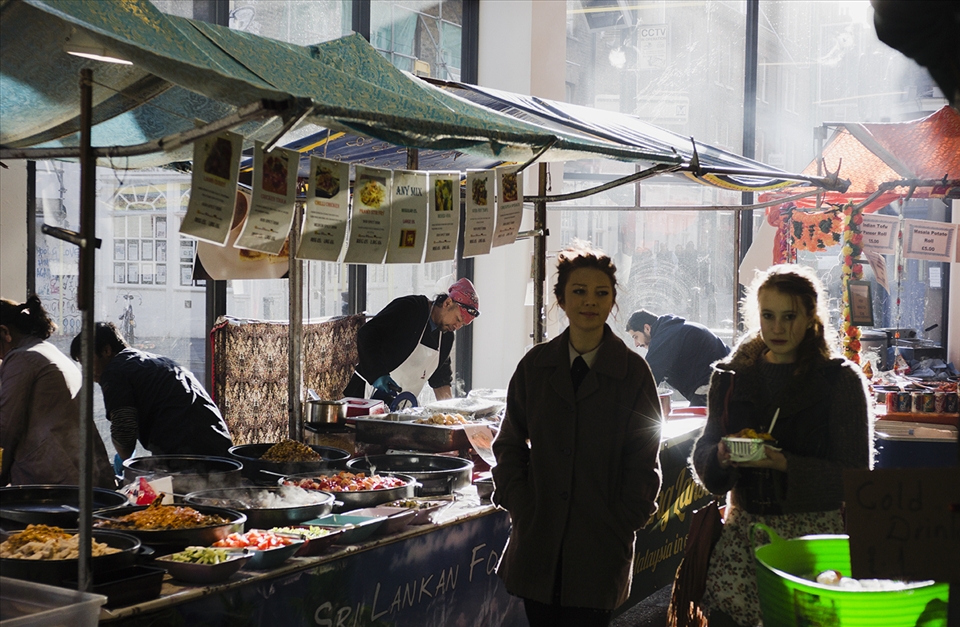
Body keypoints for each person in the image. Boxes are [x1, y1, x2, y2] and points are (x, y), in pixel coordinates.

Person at [689, 264, 873, 627]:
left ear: (810, 318)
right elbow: (705, 456)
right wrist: (721, 458)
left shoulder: (840, 381)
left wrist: (785, 465)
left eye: (789, 316)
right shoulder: (729, 377)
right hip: (743, 534)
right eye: (768, 316)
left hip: (814, 538)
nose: (777, 328)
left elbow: (856, 478)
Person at [492, 244, 663, 627]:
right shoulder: (535, 366)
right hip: (538, 539)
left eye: (601, 293)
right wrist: (521, 503)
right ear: (561, 300)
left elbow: (644, 460)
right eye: (579, 292)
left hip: (600, 546)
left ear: (613, 301)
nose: (590, 302)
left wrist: (622, 519)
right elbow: (508, 444)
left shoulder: (633, 373)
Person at [70, 322, 233, 460]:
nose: (87, 372)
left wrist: (125, 462)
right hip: (220, 451)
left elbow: (124, 430)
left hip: (187, 458)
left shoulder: (115, 371)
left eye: (87, 362)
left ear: (106, 351)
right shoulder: (154, 362)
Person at [1, 296, 114, 487]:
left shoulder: (22, 358)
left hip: (53, 481)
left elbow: (6, 429)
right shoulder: (45, 351)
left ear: (4, 332)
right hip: (82, 475)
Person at [343, 277, 480, 402]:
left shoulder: (446, 337)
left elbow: (441, 380)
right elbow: (367, 334)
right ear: (448, 303)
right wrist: (378, 374)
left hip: (401, 406)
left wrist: (450, 414)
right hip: (364, 396)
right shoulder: (410, 307)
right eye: (458, 319)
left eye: (462, 325)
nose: (457, 326)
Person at [626, 309, 730, 406]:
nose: (636, 344)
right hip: (722, 381)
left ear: (647, 328)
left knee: (698, 424)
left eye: (636, 337)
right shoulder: (671, 329)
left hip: (715, 385)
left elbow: (647, 378)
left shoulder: (664, 336)